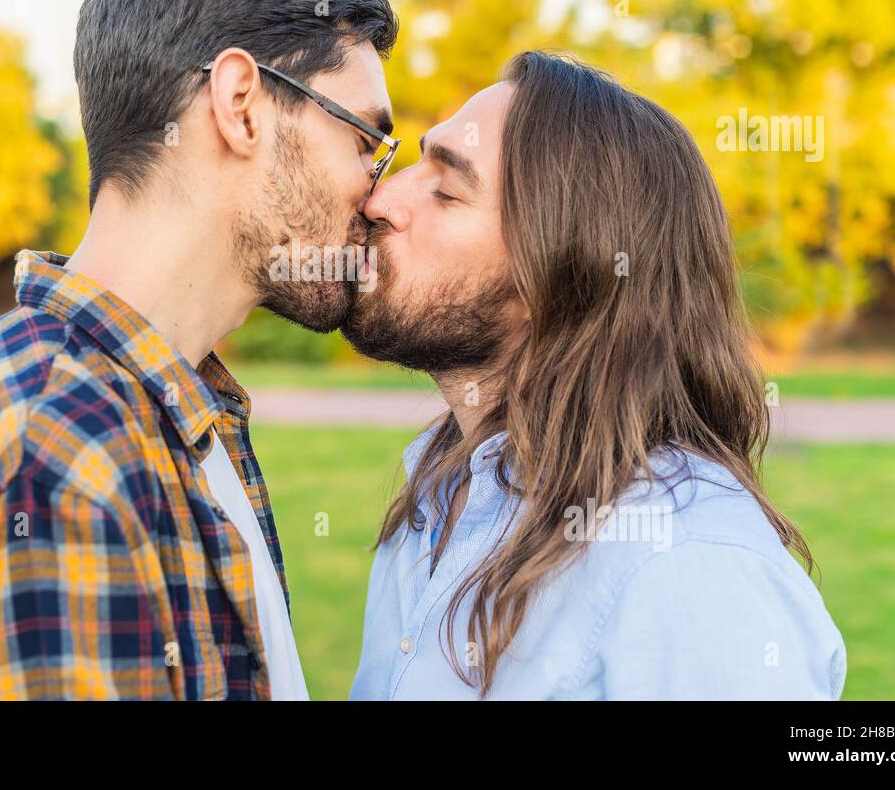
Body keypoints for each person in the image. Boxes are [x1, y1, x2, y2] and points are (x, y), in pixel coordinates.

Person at [0, 0, 398, 700]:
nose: (380, 192)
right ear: (241, 107)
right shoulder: (62, 456)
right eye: (367, 140)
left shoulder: (177, 411)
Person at [343, 50, 847, 699]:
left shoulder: (689, 565)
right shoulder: (440, 493)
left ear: (559, 273)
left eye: (445, 189)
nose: (382, 198)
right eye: (416, 162)